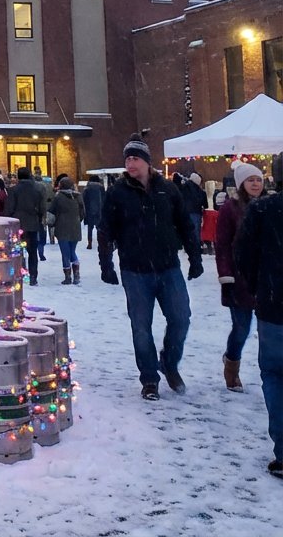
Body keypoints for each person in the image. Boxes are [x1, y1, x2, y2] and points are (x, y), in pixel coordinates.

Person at [98, 133, 203, 401]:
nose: (130, 163)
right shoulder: (117, 193)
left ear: (146, 161)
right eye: (127, 159)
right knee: (141, 327)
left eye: (135, 158)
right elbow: (106, 230)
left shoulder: (168, 189)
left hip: (168, 267)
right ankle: (149, 379)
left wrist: (195, 258)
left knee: (181, 318)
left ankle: (169, 362)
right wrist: (106, 264)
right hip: (135, 271)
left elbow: (185, 225)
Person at [234, 165, 283, 479]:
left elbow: (243, 255)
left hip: (273, 306)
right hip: (271, 301)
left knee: (276, 375)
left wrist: (258, 286)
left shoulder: (262, 210)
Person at [215, 161, 264, 392]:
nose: (256, 184)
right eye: (251, 180)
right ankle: (232, 364)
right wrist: (226, 274)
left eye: (258, 180)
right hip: (240, 278)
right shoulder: (230, 209)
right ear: (241, 183)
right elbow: (222, 244)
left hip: (266, 278)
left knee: (268, 329)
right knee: (242, 327)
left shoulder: (268, 205)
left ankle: (271, 371)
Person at [6, 166, 46, 287]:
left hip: (18, 225)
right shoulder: (37, 190)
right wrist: (39, 218)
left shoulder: (13, 190)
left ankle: (21, 272)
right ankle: (33, 276)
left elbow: (9, 208)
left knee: (18, 250)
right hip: (32, 224)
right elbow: (42, 208)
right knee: (33, 251)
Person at [51, 175, 85, 285]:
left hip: (62, 226)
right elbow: (83, 212)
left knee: (65, 253)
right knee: (72, 251)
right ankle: (76, 274)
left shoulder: (58, 197)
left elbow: (52, 210)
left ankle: (68, 276)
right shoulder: (78, 196)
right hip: (75, 227)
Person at [174, 171, 208, 250]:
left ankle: (187, 245)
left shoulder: (184, 187)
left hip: (185, 212)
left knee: (187, 230)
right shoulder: (199, 191)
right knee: (195, 231)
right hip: (196, 212)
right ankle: (195, 247)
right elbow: (204, 202)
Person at [83, 174, 104, 249]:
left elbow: (84, 199)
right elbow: (104, 198)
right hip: (99, 210)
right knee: (99, 228)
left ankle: (89, 243)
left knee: (90, 227)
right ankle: (101, 242)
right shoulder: (101, 187)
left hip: (89, 210)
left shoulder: (87, 188)